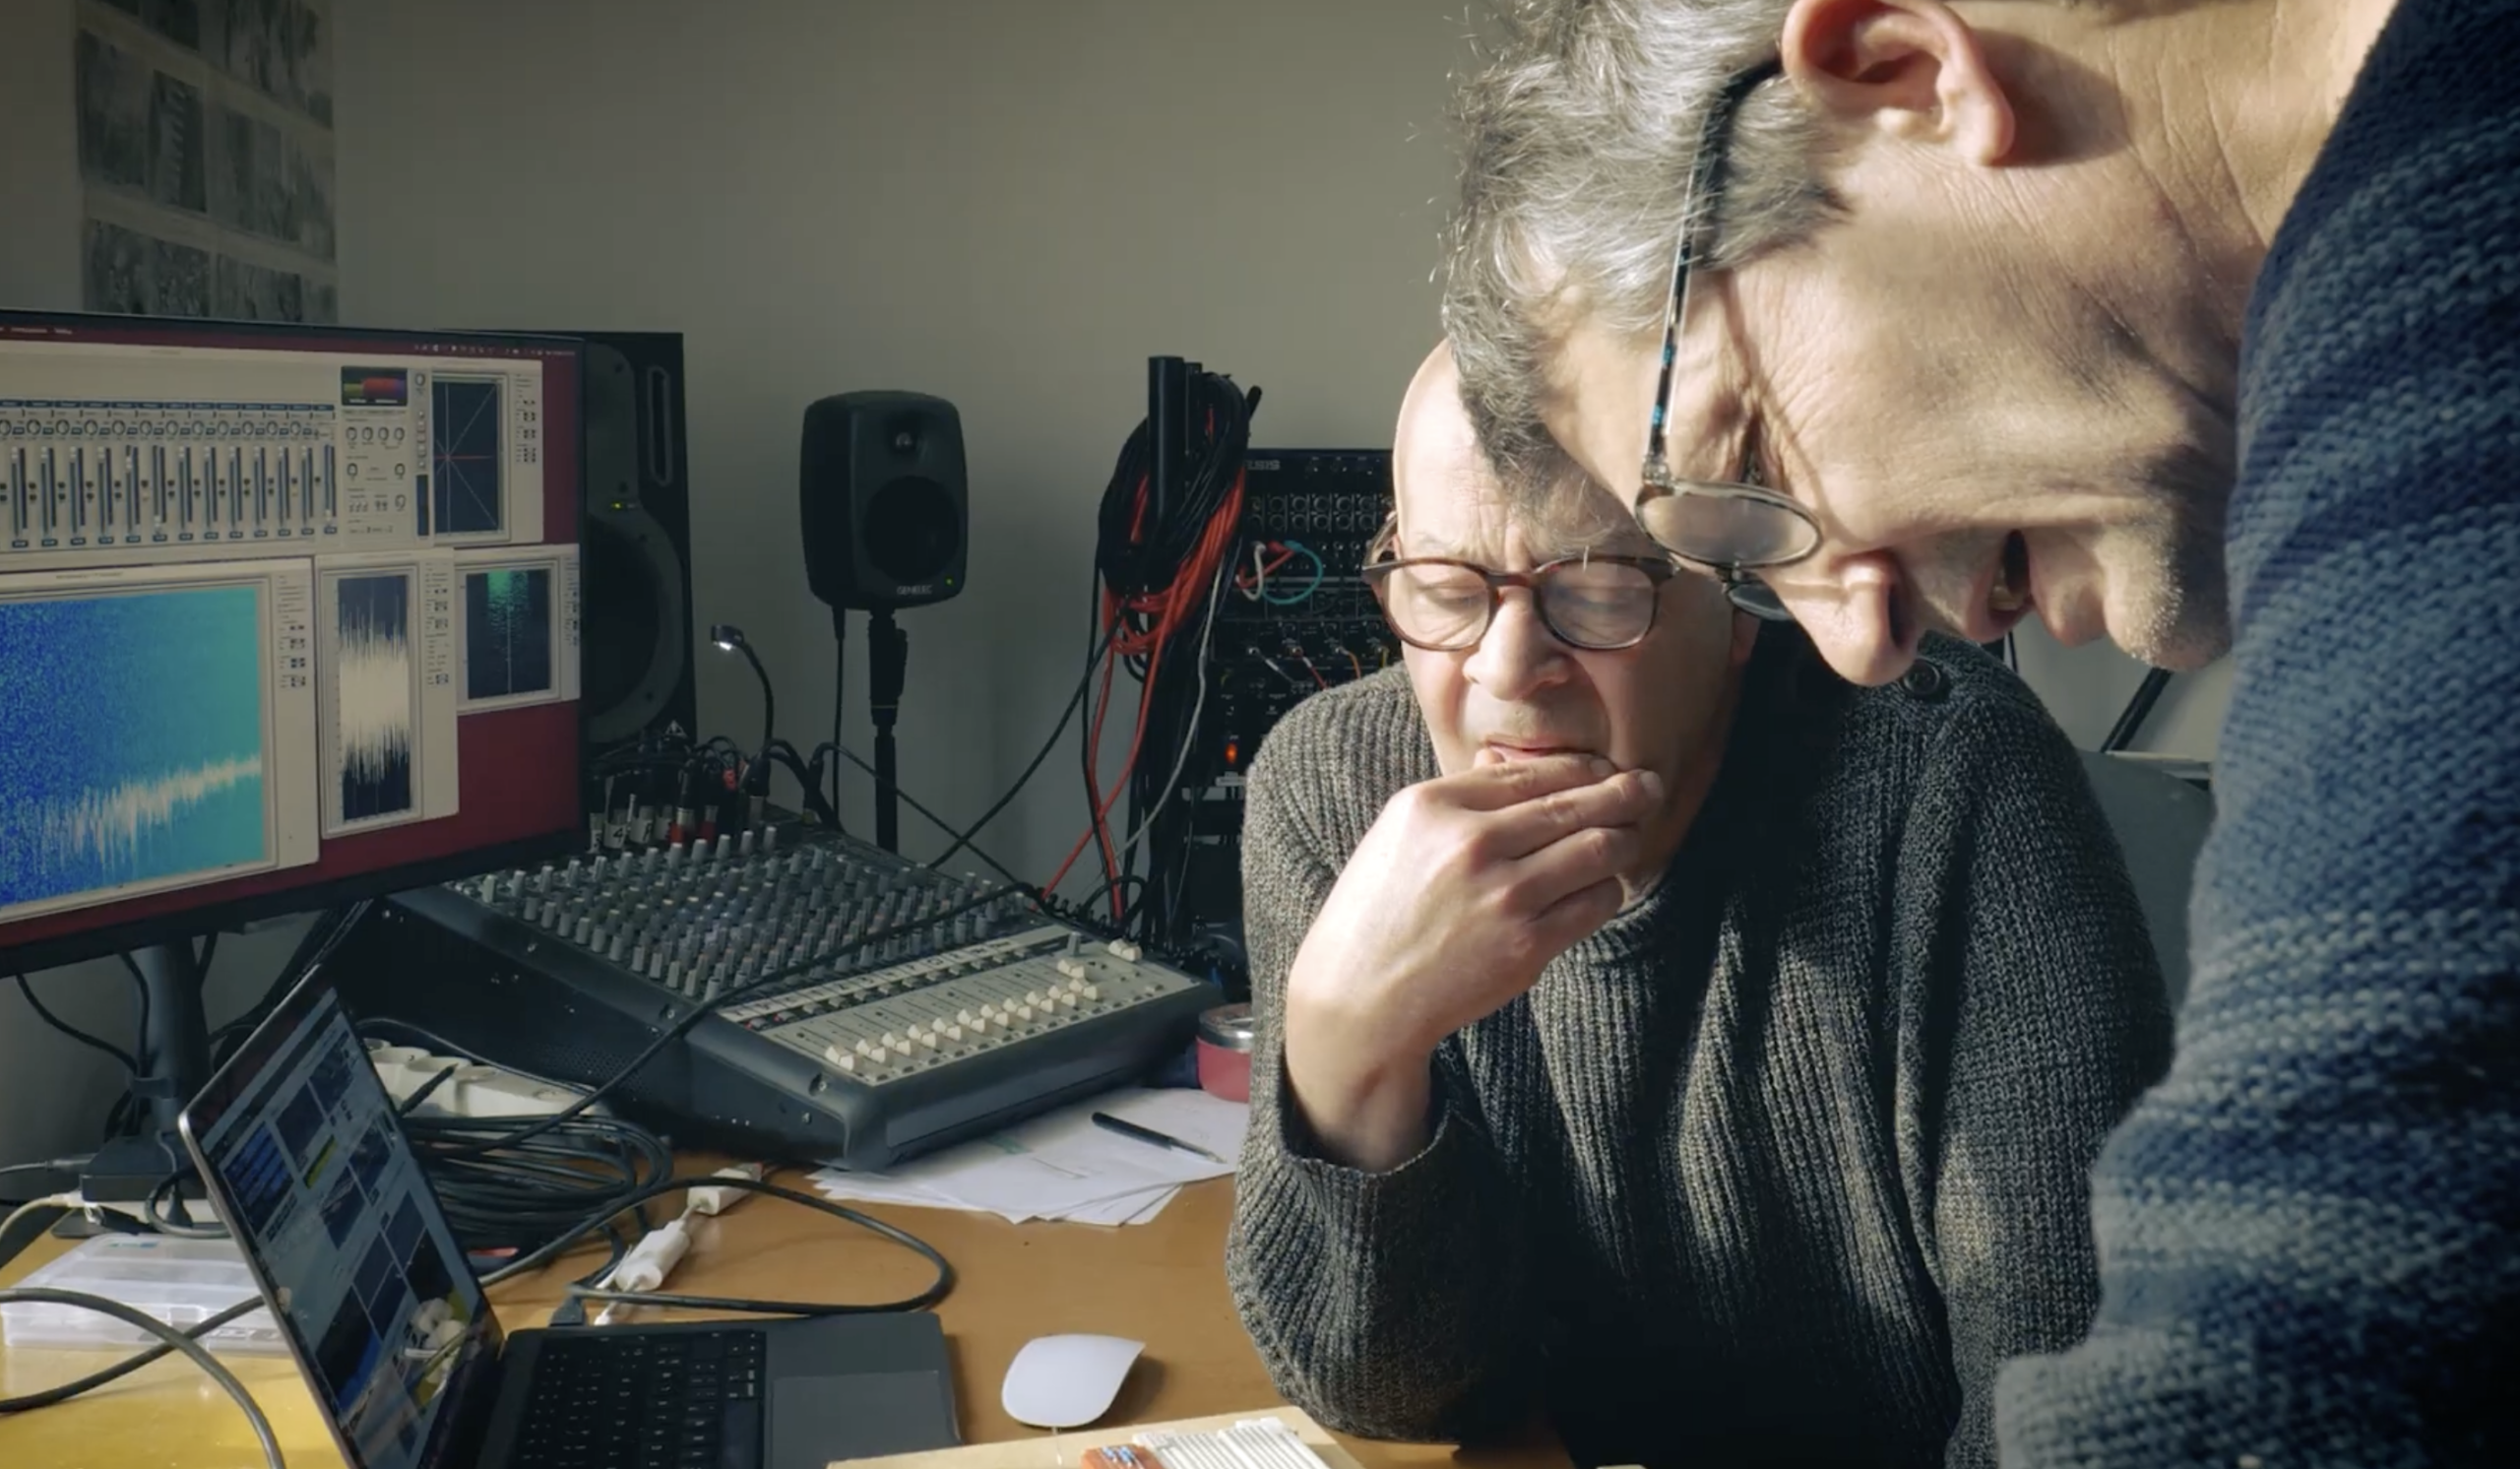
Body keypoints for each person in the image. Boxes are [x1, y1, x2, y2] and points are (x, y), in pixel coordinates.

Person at [1433, 0, 2517, 1463]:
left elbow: (2269, 1385)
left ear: (1897, 74)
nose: (1858, 643)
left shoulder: (2459, 331)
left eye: (1744, 461)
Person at [1224, 343, 2174, 1469]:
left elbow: (2077, 1414)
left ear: (1739, 599)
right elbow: (1392, 1392)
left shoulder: (1954, 788)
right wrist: (1348, 1048)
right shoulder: (1330, 789)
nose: (1505, 670)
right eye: (1442, 586)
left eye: (1595, 588)